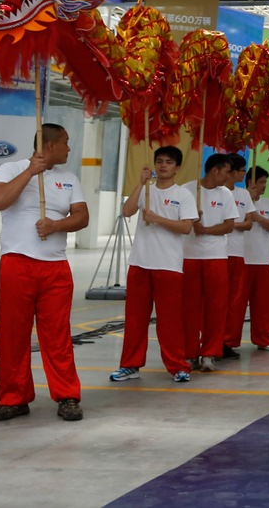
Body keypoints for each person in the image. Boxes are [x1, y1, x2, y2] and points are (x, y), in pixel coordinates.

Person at [0, 123, 87, 422]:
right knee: (12, 334)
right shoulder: (10, 169)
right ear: (51, 145)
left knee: (57, 335)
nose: (69, 148)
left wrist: (57, 225)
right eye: (66, 142)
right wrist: (31, 172)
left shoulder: (69, 179)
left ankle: (67, 395)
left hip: (55, 266)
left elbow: (82, 216)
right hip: (17, 262)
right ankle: (14, 398)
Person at [110, 146, 197, 384]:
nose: (163, 165)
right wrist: (140, 183)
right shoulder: (146, 190)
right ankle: (130, 365)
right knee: (135, 319)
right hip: (140, 262)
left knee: (169, 321)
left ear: (177, 167)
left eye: (169, 162)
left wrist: (156, 219)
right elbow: (127, 211)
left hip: (168, 265)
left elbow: (186, 227)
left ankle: (178, 366)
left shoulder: (183, 195)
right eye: (159, 161)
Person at [182, 154, 238, 373]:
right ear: (215, 170)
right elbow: (179, 220)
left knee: (216, 307)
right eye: (226, 172)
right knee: (189, 308)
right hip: (190, 256)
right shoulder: (188, 190)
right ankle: (189, 352)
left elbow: (229, 226)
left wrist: (205, 229)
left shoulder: (226, 194)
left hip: (216, 257)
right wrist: (191, 216)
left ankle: (210, 353)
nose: (228, 176)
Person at [243, 166, 269, 351]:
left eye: (265, 182)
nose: (264, 186)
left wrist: (257, 217)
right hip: (242, 259)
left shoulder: (268, 204)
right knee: (237, 304)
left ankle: (262, 339)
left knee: (262, 303)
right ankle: (229, 341)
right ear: (250, 182)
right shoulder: (239, 200)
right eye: (261, 182)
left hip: (262, 259)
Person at [222, 154, 254, 359]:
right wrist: (231, 225)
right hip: (219, 253)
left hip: (237, 253)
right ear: (232, 171)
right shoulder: (218, 193)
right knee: (218, 301)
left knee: (235, 302)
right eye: (242, 170)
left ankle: (228, 341)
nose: (244, 174)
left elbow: (248, 223)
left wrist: (227, 225)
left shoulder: (243, 195)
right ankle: (212, 341)